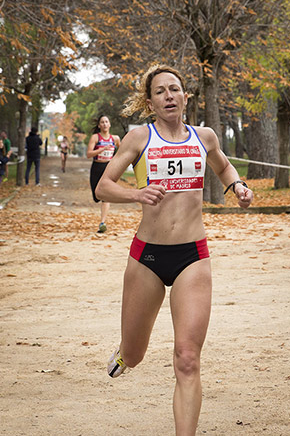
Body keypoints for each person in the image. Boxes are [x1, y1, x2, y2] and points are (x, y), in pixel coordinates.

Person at [95, 64, 253, 436]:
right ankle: (126, 352)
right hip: (147, 258)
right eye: (160, 91)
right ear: (150, 103)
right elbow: (103, 186)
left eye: (174, 89)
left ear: (185, 96)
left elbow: (224, 168)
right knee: (136, 354)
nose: (169, 95)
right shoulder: (139, 138)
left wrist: (238, 187)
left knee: (187, 358)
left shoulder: (205, 137)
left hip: (192, 256)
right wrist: (136, 194)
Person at [87, 115, 121, 233]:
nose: (105, 124)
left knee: (106, 196)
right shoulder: (95, 137)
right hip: (96, 167)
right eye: (102, 122)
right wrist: (102, 149)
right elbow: (89, 154)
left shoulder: (115, 138)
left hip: (108, 168)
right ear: (99, 125)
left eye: (107, 122)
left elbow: (122, 152)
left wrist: (116, 162)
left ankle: (102, 223)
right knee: (96, 196)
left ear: (110, 124)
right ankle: (102, 218)